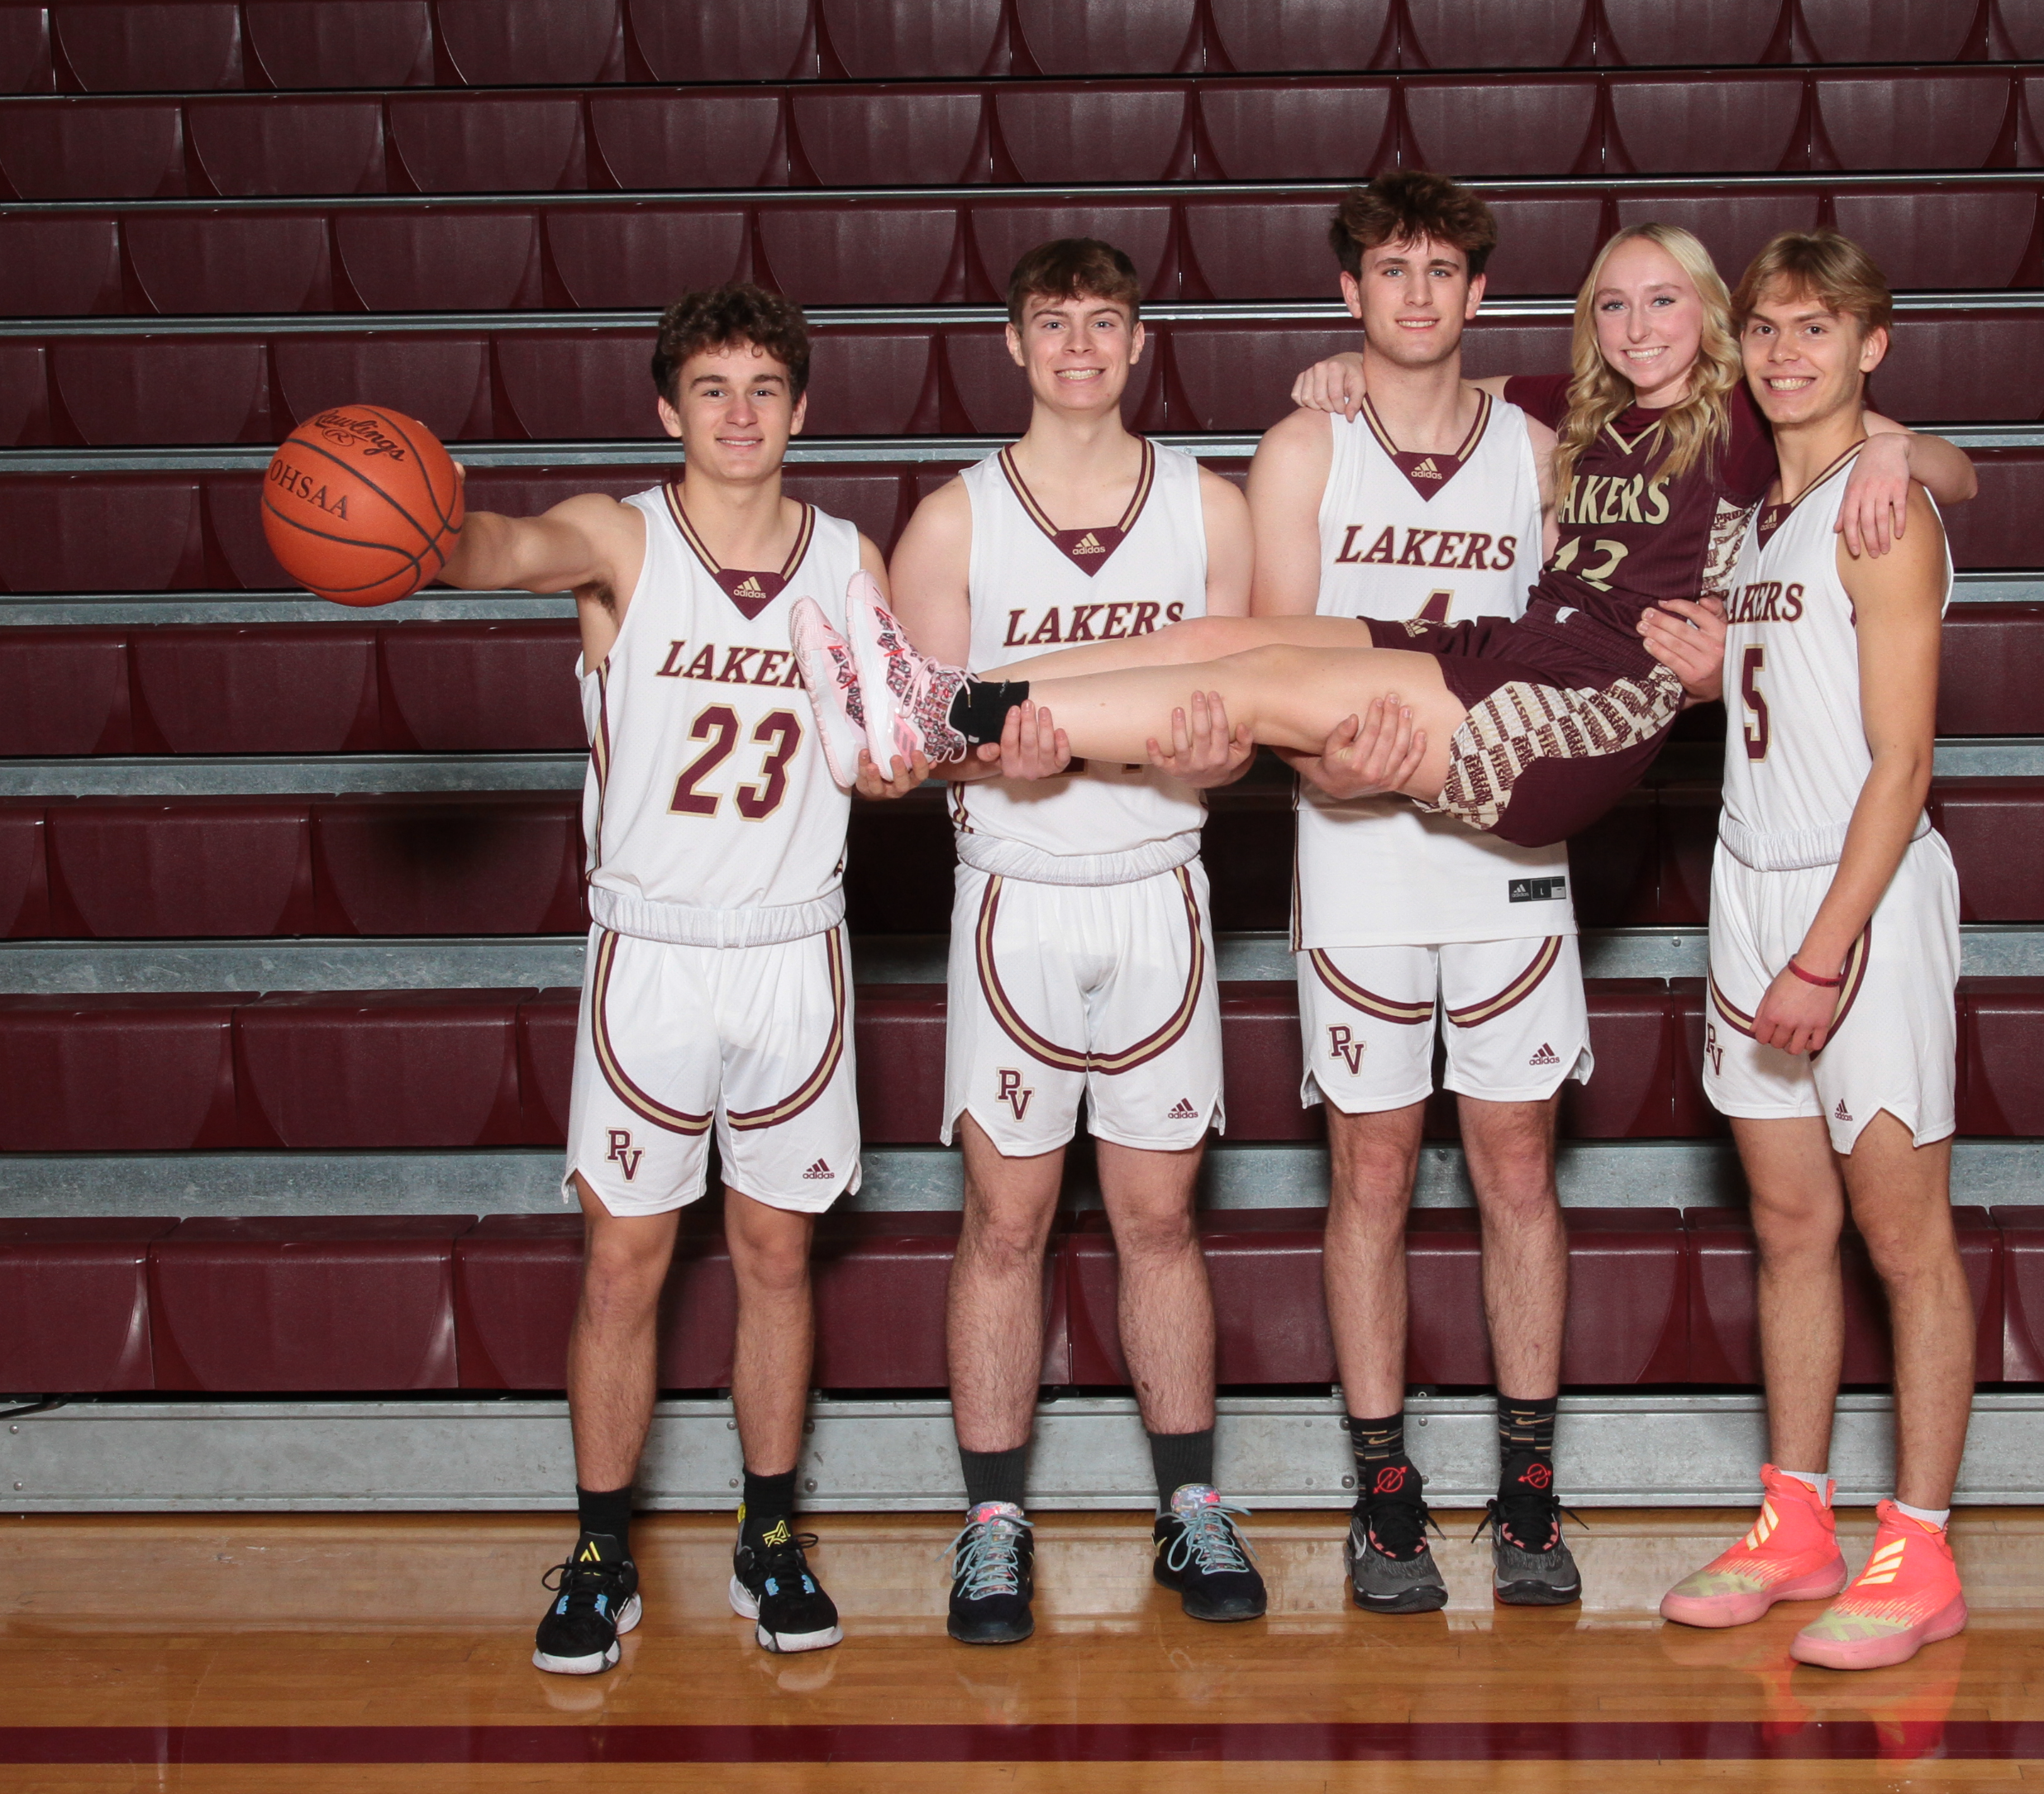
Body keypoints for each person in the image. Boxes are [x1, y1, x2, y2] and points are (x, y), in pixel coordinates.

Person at [792, 224, 1975, 865]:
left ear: (1711, 315)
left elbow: (1957, 473)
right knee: (1219, 637)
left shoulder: (1748, 412)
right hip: (1520, 644)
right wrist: (1365, 363)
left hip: (1588, 708)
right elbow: (1448, 374)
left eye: (1664, 300)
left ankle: (942, 715)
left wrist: (1893, 446)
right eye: (1613, 304)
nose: (1636, 324)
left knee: (1251, 691)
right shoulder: (1582, 402)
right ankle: (931, 693)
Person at [436, 284, 872, 1674]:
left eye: (762, 388)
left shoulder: (849, 558)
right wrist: (420, 532)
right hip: (655, 955)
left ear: (800, 411)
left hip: (798, 945)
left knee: (774, 1257)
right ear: (665, 409)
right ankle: (601, 1547)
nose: (738, 413)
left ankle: (771, 1533)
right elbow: (499, 548)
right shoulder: (619, 537)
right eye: (711, 388)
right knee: (624, 1268)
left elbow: (894, 728)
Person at [865, 237, 1268, 1644]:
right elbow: (914, 737)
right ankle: (991, 1522)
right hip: (1015, 898)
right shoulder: (954, 521)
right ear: (1017, 345)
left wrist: (1220, 756)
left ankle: (1190, 1503)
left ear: (1139, 340)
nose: (1081, 345)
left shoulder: (1211, 510)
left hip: (1159, 885)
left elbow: (1243, 725)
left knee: (1160, 1218)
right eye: (1056, 323)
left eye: (1104, 321)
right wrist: (995, 766)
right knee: (1007, 1221)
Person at [1243, 173, 1589, 1613]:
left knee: (1516, 1167)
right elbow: (1270, 668)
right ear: (1351, 293)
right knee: (1371, 1175)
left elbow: (1582, 646)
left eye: (1445, 269)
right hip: (1359, 856)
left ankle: (1525, 1489)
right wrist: (1327, 760)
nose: (1420, 293)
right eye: (1393, 269)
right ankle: (1384, 1491)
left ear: (1481, 294)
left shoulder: (1543, 450)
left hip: (1508, 854)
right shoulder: (1303, 448)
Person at [1648, 231, 1973, 1672]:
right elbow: (1805, 700)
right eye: (1768, 331)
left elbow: (1901, 763)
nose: (1787, 355)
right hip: (1753, 888)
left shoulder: (1881, 503)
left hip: (1865, 904)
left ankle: (1923, 1546)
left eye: (1817, 331)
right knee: (1790, 1229)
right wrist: (1731, 676)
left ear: (1870, 348)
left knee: (1906, 1243)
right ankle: (1798, 1522)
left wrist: (1826, 953)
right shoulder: (1768, 517)